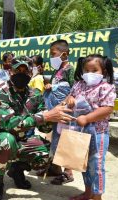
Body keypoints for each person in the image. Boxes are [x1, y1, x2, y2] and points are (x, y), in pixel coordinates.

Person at [0, 58, 74, 200]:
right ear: (10, 71)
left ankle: (16, 169)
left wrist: (56, 114)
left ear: (31, 73)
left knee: (49, 153)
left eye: (25, 71)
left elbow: (45, 128)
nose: (21, 74)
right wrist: (44, 116)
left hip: (22, 141)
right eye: (18, 70)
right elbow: (9, 124)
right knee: (6, 139)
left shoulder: (35, 94)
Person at [67, 54, 116, 200]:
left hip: (98, 133)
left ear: (104, 71)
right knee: (84, 164)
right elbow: (70, 97)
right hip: (80, 132)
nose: (90, 74)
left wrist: (87, 118)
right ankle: (88, 192)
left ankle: (97, 196)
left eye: (94, 70)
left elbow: (107, 109)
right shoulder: (78, 85)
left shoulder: (106, 87)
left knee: (97, 165)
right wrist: (69, 99)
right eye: (86, 70)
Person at [43, 39, 75, 184]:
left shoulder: (70, 69)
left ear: (64, 54)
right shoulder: (57, 70)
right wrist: (50, 86)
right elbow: (57, 85)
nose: (51, 57)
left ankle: (68, 172)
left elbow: (74, 90)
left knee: (65, 139)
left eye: (53, 54)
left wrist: (64, 103)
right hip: (55, 109)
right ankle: (55, 167)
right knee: (55, 138)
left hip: (65, 110)